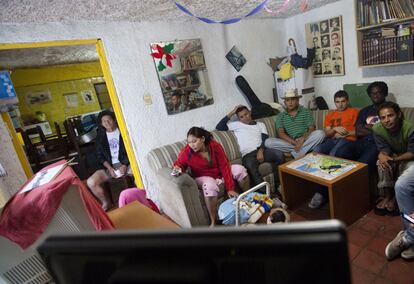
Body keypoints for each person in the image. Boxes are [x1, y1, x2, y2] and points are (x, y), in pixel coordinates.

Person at [173, 127, 249, 226]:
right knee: (210, 185)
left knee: (240, 170)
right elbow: (180, 164)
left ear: (203, 139)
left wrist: (230, 188)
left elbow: (224, 165)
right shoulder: (187, 151)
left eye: (194, 141)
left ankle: (247, 200)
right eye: (189, 142)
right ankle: (213, 222)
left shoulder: (215, 146)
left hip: (218, 174)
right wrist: (177, 169)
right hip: (202, 177)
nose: (191, 145)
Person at [372, 102, 414, 261]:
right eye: (383, 117)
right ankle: (388, 197)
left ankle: (397, 201)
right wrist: (382, 155)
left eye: (390, 115)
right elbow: (383, 148)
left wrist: (394, 160)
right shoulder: (377, 128)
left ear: (398, 115)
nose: (387, 120)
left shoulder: (409, 128)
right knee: (380, 164)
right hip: (394, 156)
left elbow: (412, 152)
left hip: (409, 158)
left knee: (404, 177)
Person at [216, 105, 284, 192]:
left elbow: (265, 138)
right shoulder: (236, 125)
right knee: (250, 166)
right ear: (239, 118)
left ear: (250, 112)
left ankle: (279, 185)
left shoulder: (260, 125)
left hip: (262, 150)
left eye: (246, 114)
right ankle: (267, 195)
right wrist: (232, 112)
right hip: (248, 155)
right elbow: (219, 126)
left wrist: (260, 151)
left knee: (279, 154)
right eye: (241, 117)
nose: (245, 118)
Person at [309, 91, 359, 208]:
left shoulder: (354, 112)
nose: (340, 105)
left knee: (333, 154)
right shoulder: (330, 115)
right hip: (331, 140)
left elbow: (359, 131)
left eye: (343, 101)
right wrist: (335, 129)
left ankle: (325, 192)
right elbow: (327, 133)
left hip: (347, 140)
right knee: (316, 150)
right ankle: (320, 187)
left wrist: (344, 134)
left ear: (347, 101)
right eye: (337, 102)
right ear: (334, 102)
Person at [336, 81, 388, 175]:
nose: (375, 95)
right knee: (340, 152)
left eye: (378, 92)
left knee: (364, 163)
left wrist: (367, 127)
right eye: (372, 93)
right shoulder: (365, 111)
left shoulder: (391, 109)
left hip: (378, 144)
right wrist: (377, 127)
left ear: (385, 93)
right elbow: (358, 130)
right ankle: (341, 183)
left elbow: (388, 129)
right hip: (361, 142)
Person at [87, 110, 131, 211]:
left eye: (109, 120)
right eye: (104, 121)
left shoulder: (123, 131)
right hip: (109, 166)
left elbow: (131, 148)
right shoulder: (100, 137)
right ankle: (105, 202)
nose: (107, 123)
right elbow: (100, 155)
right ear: (101, 124)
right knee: (91, 182)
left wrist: (124, 164)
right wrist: (110, 168)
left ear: (114, 120)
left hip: (127, 163)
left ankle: (139, 195)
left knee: (139, 174)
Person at [265, 89, 325, 159]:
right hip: (290, 142)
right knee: (268, 142)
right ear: (284, 102)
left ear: (297, 101)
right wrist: (295, 143)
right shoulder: (281, 116)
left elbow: (311, 129)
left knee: (320, 133)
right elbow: (281, 133)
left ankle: (294, 154)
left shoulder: (305, 112)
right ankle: (302, 150)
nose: (290, 103)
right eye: (287, 100)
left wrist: (302, 139)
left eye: (293, 99)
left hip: (305, 139)